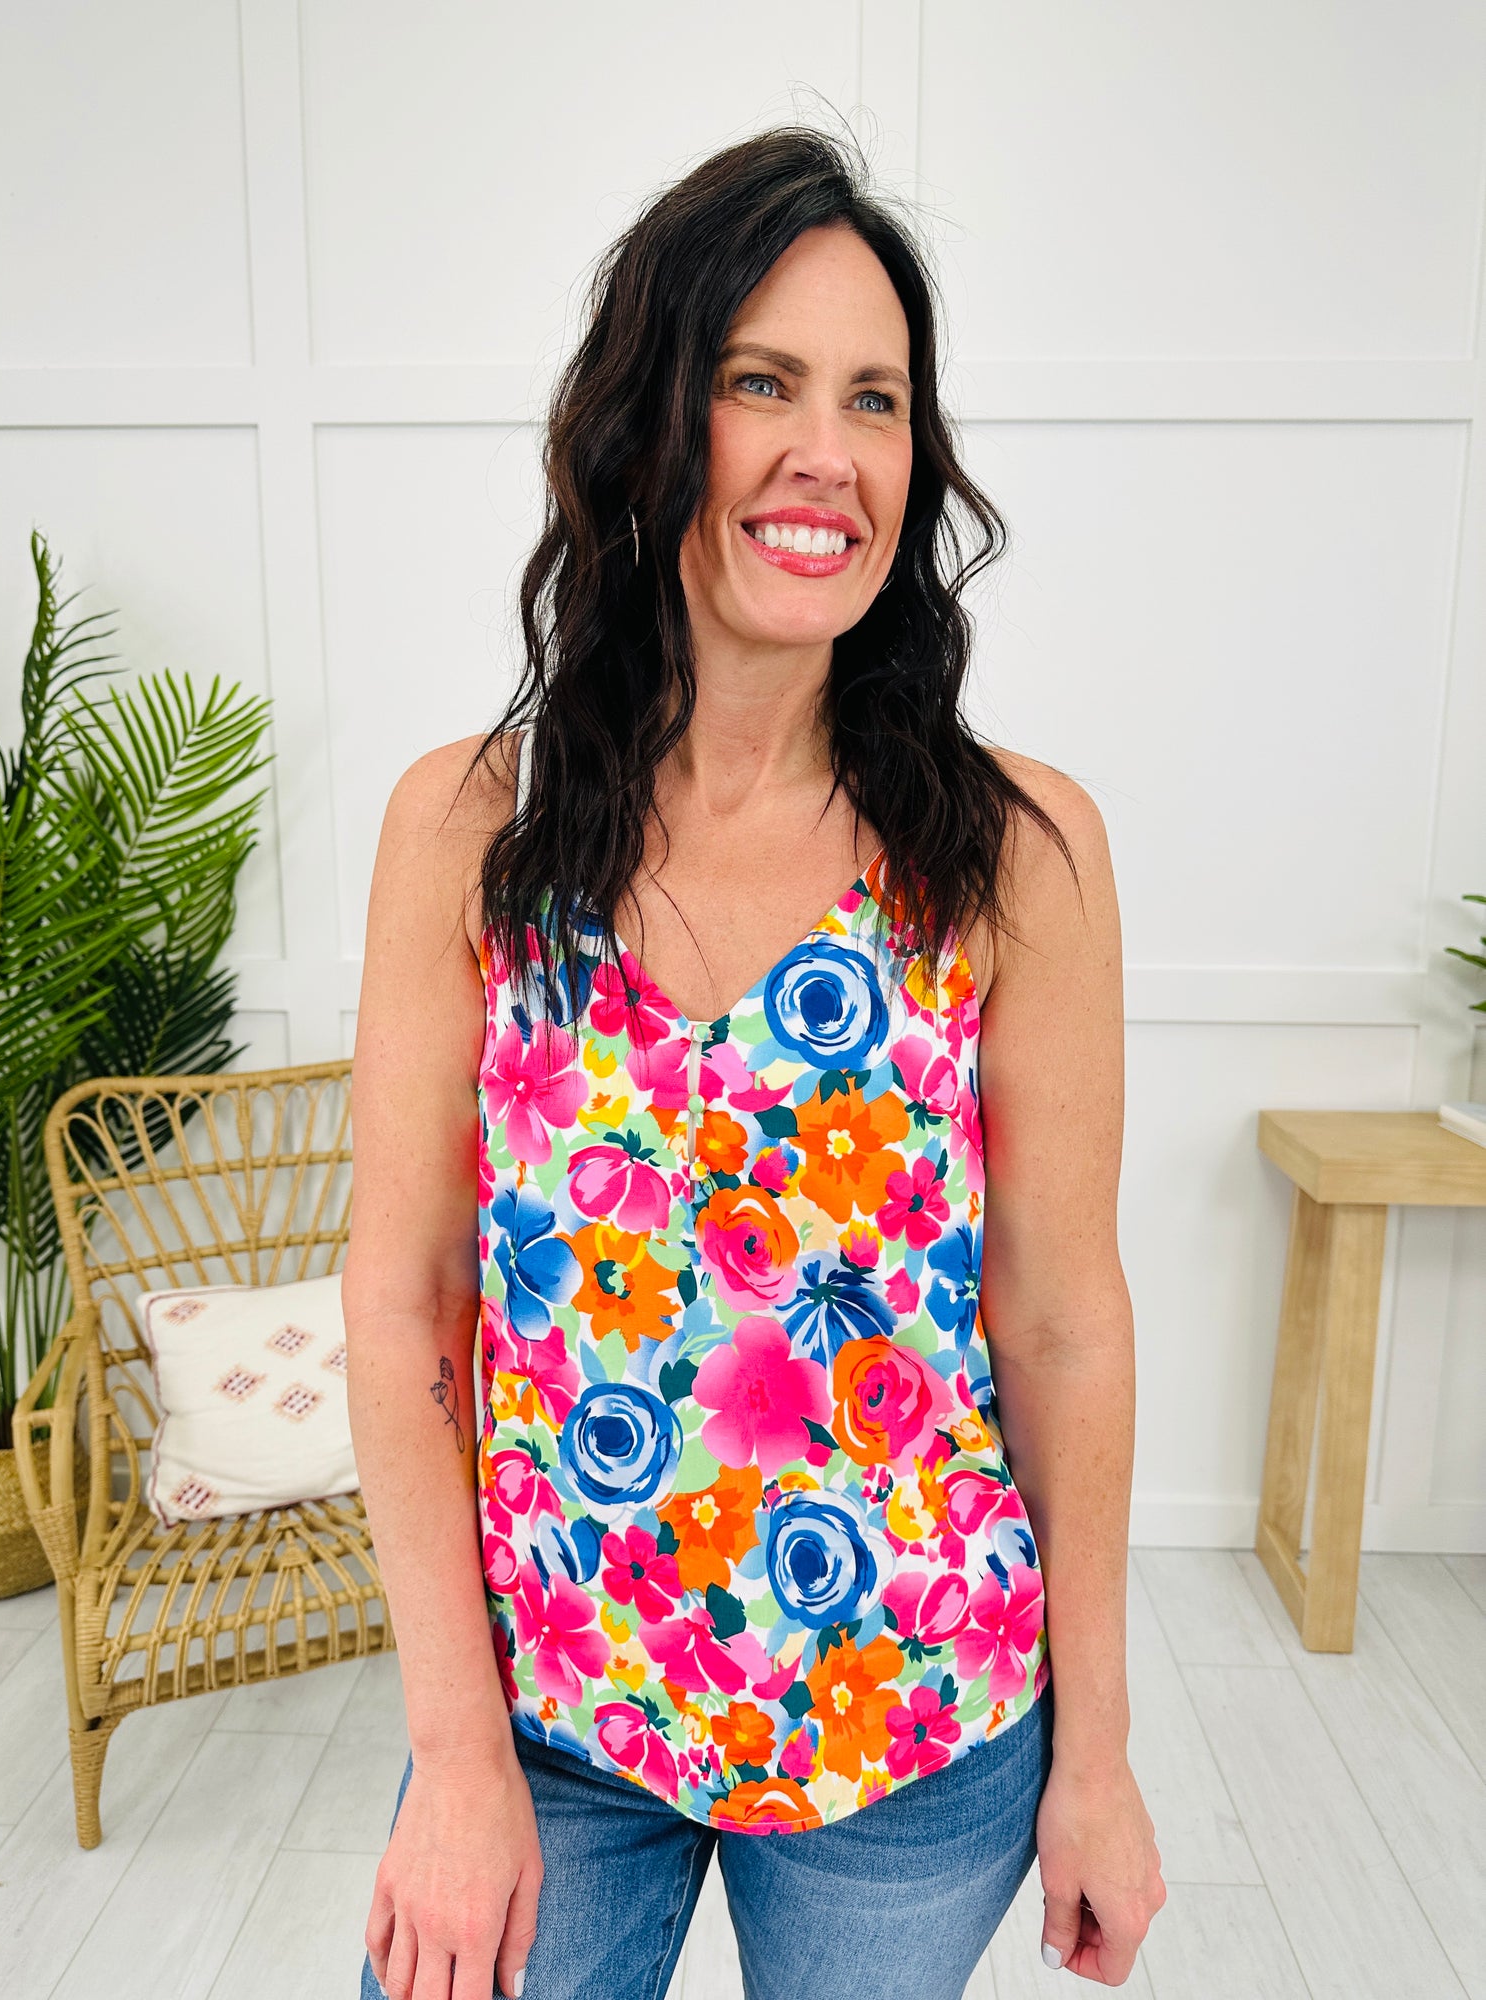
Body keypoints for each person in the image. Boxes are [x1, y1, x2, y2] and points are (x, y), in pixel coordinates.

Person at [346, 126, 1164, 2000]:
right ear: (651, 420)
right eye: (761, 382)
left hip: (915, 1729)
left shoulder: (1015, 853)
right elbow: (402, 1307)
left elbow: (1062, 1323)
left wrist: (1102, 1759)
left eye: (875, 400)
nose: (828, 453)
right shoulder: (468, 831)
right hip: (552, 1709)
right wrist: (456, 1759)